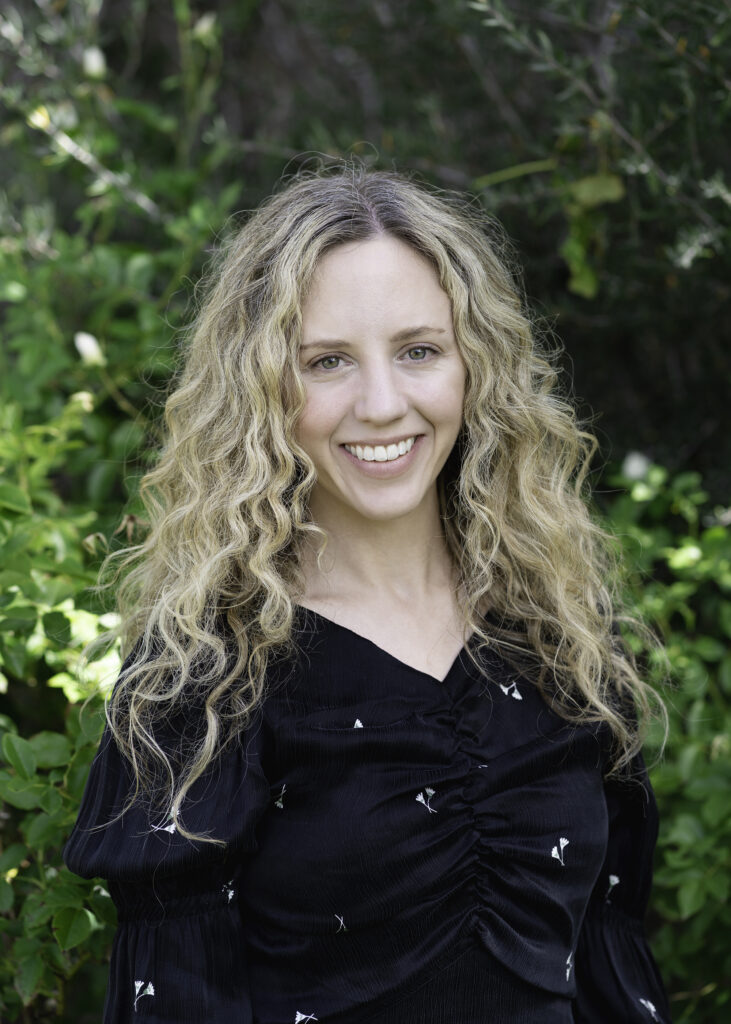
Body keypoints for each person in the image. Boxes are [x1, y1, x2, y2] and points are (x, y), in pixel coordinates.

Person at [64, 165, 672, 1023]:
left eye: (419, 350)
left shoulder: (564, 633)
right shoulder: (203, 676)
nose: (382, 404)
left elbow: (610, 953)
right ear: (263, 387)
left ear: (475, 367)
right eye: (327, 362)